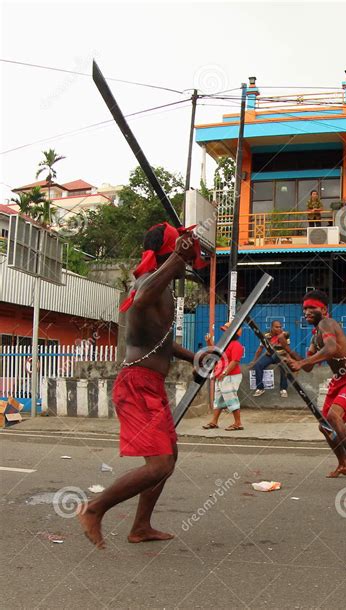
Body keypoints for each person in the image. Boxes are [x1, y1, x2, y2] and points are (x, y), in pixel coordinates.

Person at [77, 222, 206, 549]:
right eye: (183, 253)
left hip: (151, 385)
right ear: (172, 252)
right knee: (159, 464)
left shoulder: (163, 289)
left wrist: (195, 358)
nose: (191, 260)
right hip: (136, 385)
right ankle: (94, 508)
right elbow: (141, 299)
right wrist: (178, 258)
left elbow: (160, 342)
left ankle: (141, 526)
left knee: (169, 458)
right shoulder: (149, 283)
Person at [282, 290, 346, 479]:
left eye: (311, 307)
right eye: (304, 308)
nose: (306, 311)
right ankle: (344, 463)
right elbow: (308, 367)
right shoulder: (316, 336)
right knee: (325, 425)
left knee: (333, 417)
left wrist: (301, 363)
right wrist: (287, 349)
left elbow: (332, 348)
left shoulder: (327, 323)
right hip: (339, 380)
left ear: (323, 309)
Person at [202, 322, 244, 431]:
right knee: (219, 400)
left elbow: (235, 362)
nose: (224, 333)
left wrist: (224, 373)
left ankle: (238, 423)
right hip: (221, 375)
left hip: (230, 376)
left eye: (226, 331)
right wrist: (208, 341)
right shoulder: (225, 345)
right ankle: (214, 422)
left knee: (231, 399)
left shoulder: (236, 345)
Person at [250, 320, 290, 398]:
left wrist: (288, 359)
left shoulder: (284, 335)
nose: (279, 328)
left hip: (281, 355)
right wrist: (254, 361)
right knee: (258, 365)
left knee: (285, 366)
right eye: (276, 327)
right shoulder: (266, 335)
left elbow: (287, 349)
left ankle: (283, 389)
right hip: (270, 356)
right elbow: (260, 349)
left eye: (280, 327)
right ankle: (260, 388)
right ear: (272, 327)